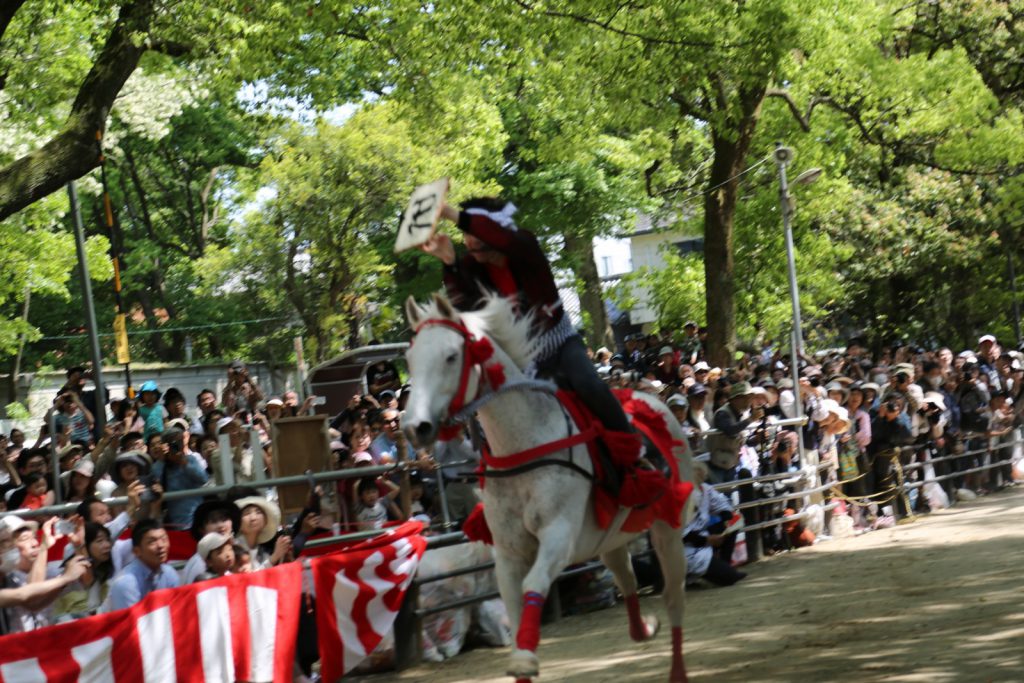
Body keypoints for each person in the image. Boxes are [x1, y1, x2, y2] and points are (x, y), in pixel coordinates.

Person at [419, 198, 632, 437]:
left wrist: (450, 214)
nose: (469, 241)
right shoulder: (472, 266)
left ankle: (633, 447)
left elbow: (503, 238)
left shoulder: (525, 246)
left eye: (474, 232)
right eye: (467, 235)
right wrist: (449, 261)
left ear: (495, 230)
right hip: (521, 359)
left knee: (589, 384)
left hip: (560, 345)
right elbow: (466, 306)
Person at [0, 517, 90, 634]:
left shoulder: (52, 569)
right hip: (16, 648)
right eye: (24, 539)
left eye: (35, 538)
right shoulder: (8, 577)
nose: (34, 543)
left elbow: (87, 581)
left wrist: (79, 545)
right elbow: (31, 598)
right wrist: (65, 578)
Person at [682, 458, 746, 586]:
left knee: (732, 527)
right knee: (729, 578)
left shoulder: (705, 489)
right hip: (686, 545)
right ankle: (692, 574)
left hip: (702, 534)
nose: (703, 475)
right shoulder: (682, 495)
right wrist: (707, 540)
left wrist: (726, 523)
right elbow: (682, 534)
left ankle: (724, 564)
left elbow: (724, 507)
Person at [107, 520, 180, 611]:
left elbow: (176, 610)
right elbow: (130, 623)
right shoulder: (125, 583)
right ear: (137, 551)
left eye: (164, 539)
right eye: (152, 542)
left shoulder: (169, 573)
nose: (161, 545)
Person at [53, 522, 116, 619]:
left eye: (107, 540)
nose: (107, 545)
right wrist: (80, 545)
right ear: (86, 546)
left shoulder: (103, 574)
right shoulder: (69, 577)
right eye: (99, 541)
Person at [151, 427, 209, 529]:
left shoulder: (191, 459)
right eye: (173, 442)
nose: (177, 445)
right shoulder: (159, 465)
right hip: (177, 522)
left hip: (197, 518)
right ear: (166, 445)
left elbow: (203, 479)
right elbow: (155, 484)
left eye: (179, 441)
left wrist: (184, 463)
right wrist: (161, 459)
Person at [706, 381, 761, 484]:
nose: (749, 400)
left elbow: (744, 441)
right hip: (717, 466)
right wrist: (751, 419)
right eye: (745, 397)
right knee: (721, 494)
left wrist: (757, 438)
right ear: (735, 399)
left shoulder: (741, 414)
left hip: (732, 464)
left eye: (750, 397)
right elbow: (730, 430)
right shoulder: (722, 413)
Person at [182, 498, 240, 583]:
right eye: (213, 521)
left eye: (224, 519)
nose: (221, 525)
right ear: (202, 529)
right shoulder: (199, 562)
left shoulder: (239, 549)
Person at [234, 496, 290, 570]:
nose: (253, 518)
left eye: (258, 512)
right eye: (247, 513)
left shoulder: (263, 554)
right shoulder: (233, 549)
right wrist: (275, 556)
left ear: (265, 521)